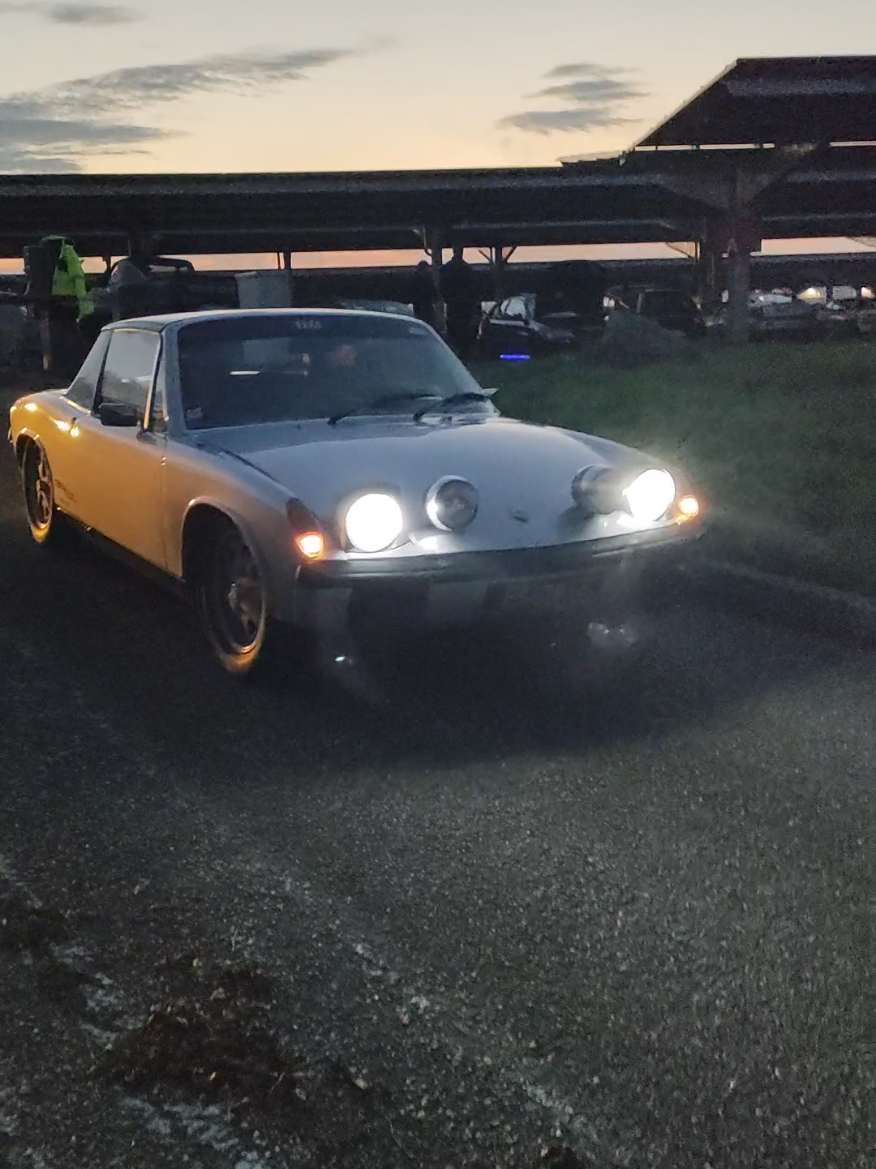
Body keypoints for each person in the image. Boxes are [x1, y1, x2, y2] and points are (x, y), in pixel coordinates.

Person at [439, 245, 480, 359]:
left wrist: (448, 299)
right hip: (465, 306)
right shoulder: (468, 269)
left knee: (454, 329)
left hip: (453, 305)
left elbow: (441, 287)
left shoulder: (446, 269)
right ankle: (464, 352)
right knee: (465, 330)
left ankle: (455, 351)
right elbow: (473, 289)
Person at [411, 260, 442, 332]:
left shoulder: (415, 279)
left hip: (418, 306)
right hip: (427, 306)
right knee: (431, 326)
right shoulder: (427, 278)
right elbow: (434, 294)